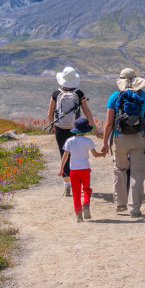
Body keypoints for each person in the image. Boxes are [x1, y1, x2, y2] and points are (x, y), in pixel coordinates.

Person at [101, 68, 145, 218]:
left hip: (120, 138)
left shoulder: (114, 96)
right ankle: (135, 209)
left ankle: (120, 203)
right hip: (139, 137)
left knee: (119, 169)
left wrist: (105, 142)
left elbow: (108, 123)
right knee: (138, 173)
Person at [47, 66, 96, 197]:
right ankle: (78, 183)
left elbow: (50, 113)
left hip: (60, 128)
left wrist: (53, 124)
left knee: (64, 154)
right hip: (75, 128)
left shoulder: (55, 94)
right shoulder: (79, 94)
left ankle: (67, 186)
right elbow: (86, 110)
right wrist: (93, 127)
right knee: (76, 155)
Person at [60, 117, 103, 222]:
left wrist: (61, 169)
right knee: (87, 189)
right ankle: (86, 204)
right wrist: (103, 154)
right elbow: (95, 155)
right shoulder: (88, 141)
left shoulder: (69, 141)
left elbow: (65, 156)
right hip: (85, 170)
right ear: (85, 130)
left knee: (76, 192)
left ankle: (78, 214)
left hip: (73, 170)